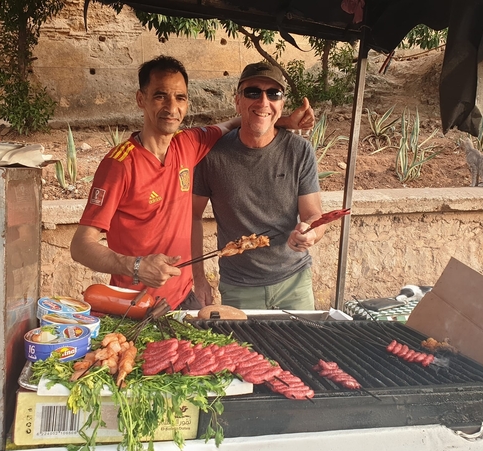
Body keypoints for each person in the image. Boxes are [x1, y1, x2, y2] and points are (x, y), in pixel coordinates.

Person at [70, 56, 314, 310]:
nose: (171, 107)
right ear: (141, 99)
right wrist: (136, 266)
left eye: (180, 98)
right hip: (135, 304)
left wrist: (285, 121)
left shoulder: (189, 143)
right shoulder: (119, 164)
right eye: (160, 96)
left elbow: (238, 123)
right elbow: (80, 246)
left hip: (185, 299)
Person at [192, 61, 327, 311]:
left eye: (273, 94)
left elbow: (313, 215)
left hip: (294, 283)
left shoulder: (299, 151)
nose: (264, 101)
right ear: (238, 100)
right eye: (253, 92)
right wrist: (198, 279)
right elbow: (192, 217)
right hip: (239, 287)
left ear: (281, 104)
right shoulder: (212, 155)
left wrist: (311, 233)